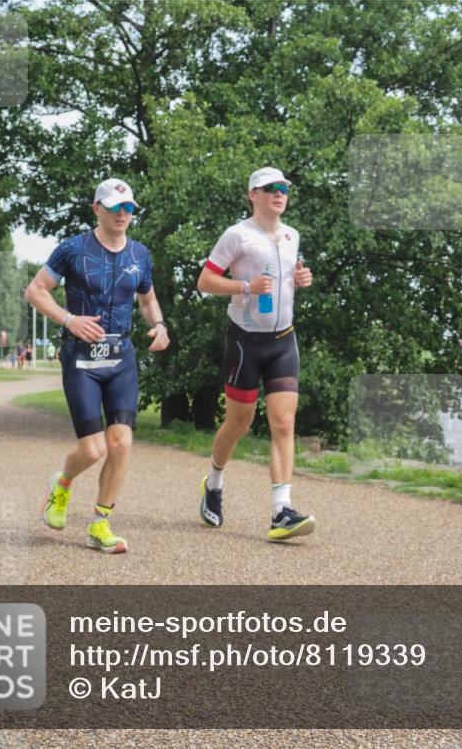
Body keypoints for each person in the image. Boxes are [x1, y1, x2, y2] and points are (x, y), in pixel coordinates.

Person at [25, 178, 169, 554]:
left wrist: (159, 325)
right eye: (115, 207)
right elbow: (35, 291)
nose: (123, 214)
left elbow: (148, 300)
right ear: (97, 209)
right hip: (80, 357)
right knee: (92, 451)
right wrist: (69, 319)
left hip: (121, 356)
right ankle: (63, 483)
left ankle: (100, 524)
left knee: (121, 442)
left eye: (129, 208)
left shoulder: (140, 255)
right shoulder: (72, 249)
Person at [196, 167, 315, 542]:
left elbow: (289, 279)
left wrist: (301, 280)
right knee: (239, 424)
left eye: (284, 188)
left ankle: (282, 511)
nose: (280, 194)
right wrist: (245, 285)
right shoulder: (237, 235)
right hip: (245, 342)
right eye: (271, 189)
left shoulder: (292, 235)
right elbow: (204, 281)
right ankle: (213, 483)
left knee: (283, 423)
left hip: (283, 340)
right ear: (253, 195)